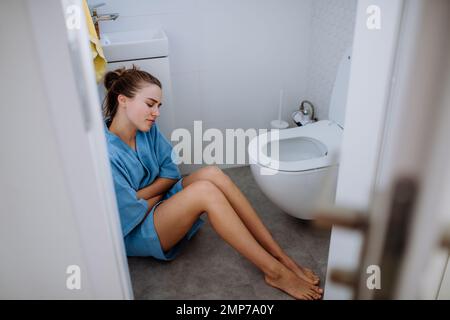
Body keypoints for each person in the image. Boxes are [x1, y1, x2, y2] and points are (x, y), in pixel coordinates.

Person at [103, 65, 323, 300]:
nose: (156, 112)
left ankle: (280, 256)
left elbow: (170, 173)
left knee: (213, 174)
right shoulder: (105, 152)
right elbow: (130, 214)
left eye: (158, 106)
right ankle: (274, 271)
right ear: (123, 100)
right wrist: (157, 192)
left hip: (155, 205)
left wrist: (145, 193)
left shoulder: (147, 130)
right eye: (150, 104)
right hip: (139, 229)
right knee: (204, 192)